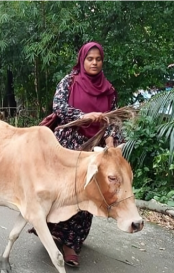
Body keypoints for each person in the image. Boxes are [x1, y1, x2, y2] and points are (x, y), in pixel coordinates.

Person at [30, 42, 124, 267]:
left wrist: (111, 138)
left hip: (94, 149)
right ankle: (51, 231)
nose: (94, 63)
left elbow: (112, 118)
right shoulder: (70, 81)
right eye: (90, 59)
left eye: (98, 59)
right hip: (68, 146)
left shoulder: (109, 90)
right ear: (82, 60)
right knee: (62, 191)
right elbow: (58, 106)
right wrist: (84, 115)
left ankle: (72, 244)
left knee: (86, 193)